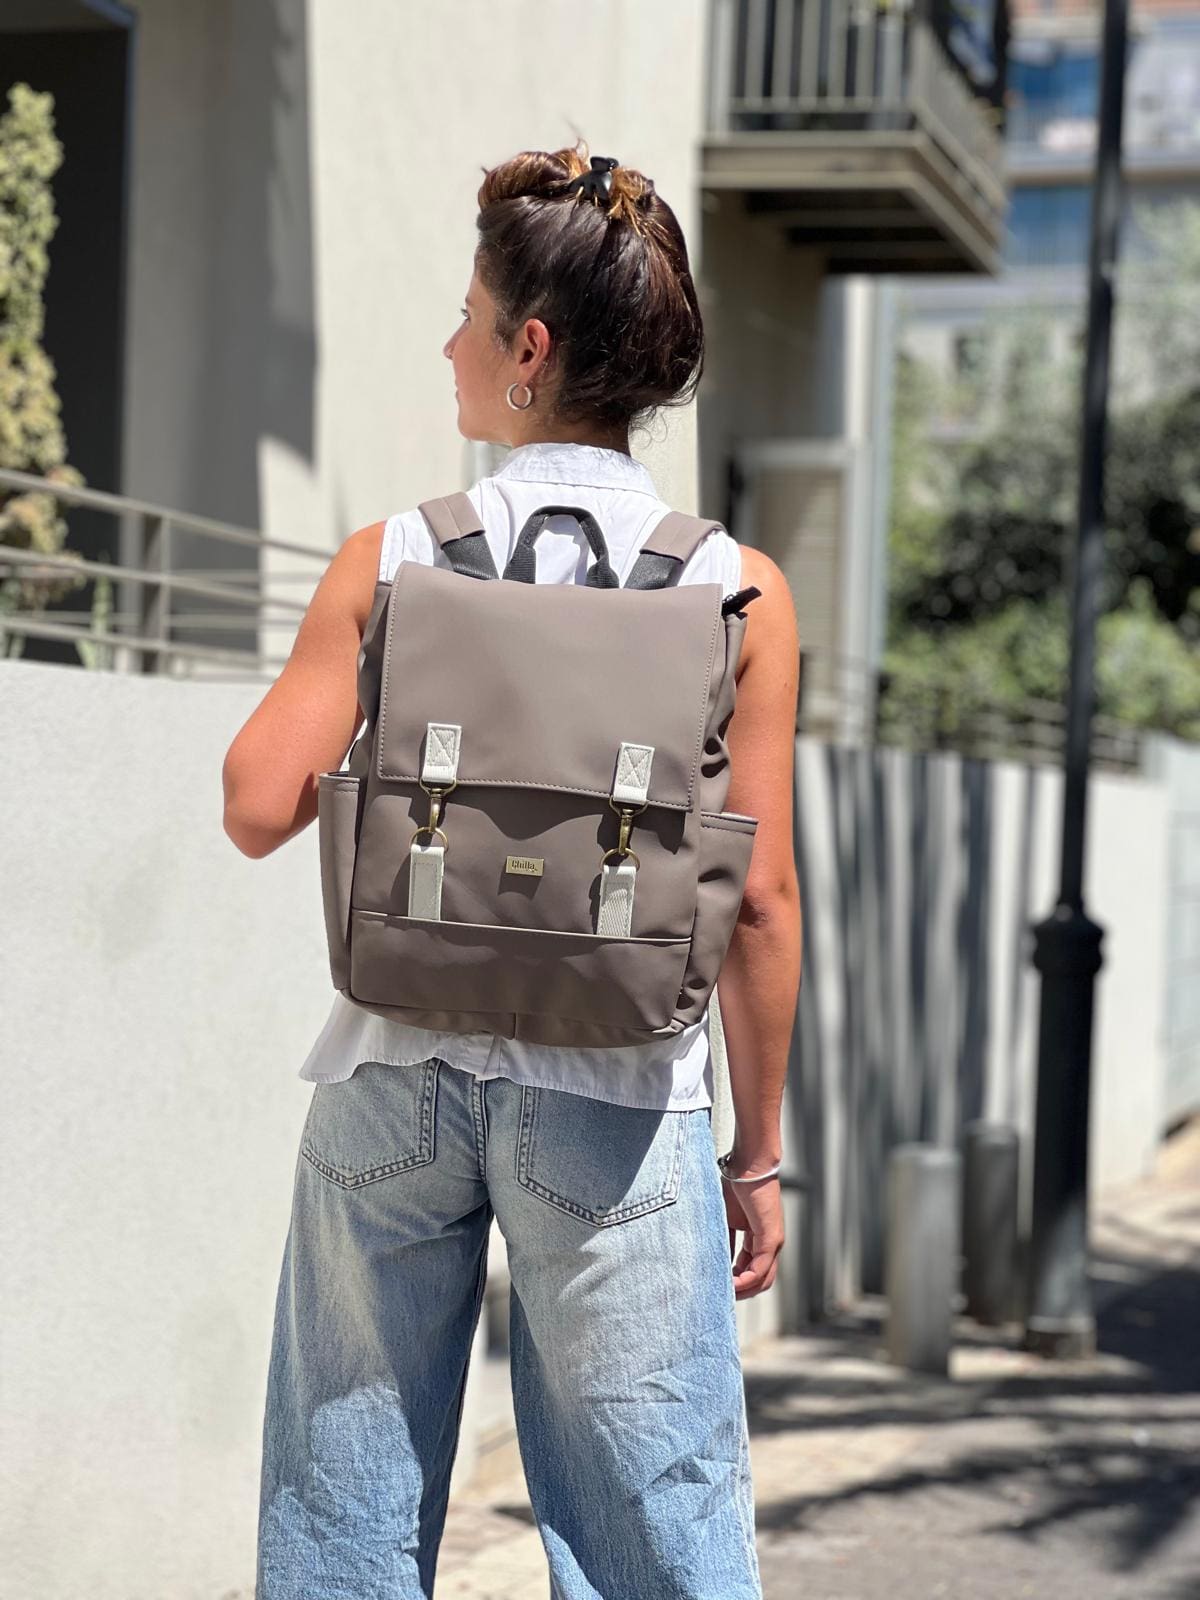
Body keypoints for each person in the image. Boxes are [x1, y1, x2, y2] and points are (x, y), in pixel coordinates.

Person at [222, 140, 802, 1600]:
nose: (450, 346)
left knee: (344, 1508)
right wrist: (757, 1155)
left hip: (391, 1075)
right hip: (622, 1096)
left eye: (469, 319)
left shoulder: (393, 559)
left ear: (529, 351)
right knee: (651, 1533)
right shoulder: (735, 589)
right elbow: (761, 903)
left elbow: (255, 804)